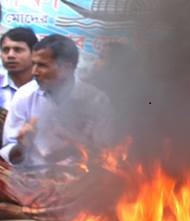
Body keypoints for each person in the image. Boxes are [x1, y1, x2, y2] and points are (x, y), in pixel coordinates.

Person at [1, 34, 112, 167]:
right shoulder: (24, 96)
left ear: (67, 67)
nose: (34, 72)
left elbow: (107, 154)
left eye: (42, 65)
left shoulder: (96, 101)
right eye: (34, 64)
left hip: (82, 182)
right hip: (32, 181)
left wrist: (77, 145)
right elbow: (10, 157)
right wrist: (22, 145)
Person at [0, 27, 38, 110]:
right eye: (5, 50)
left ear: (34, 53)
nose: (10, 55)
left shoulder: (46, 89)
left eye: (17, 50)